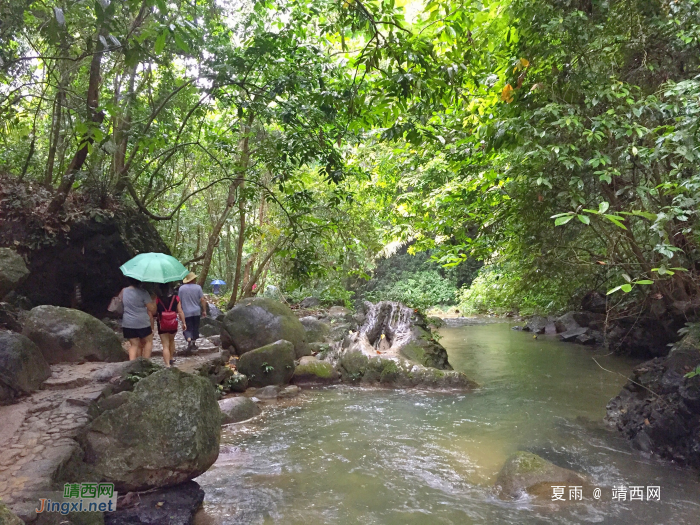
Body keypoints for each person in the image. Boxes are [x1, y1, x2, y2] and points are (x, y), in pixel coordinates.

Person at [121, 277, 156, 360]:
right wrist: (154, 301)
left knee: (134, 345)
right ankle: (145, 362)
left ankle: (132, 365)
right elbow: (152, 310)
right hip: (142, 322)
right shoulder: (143, 293)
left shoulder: (123, 291)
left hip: (128, 322)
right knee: (149, 341)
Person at [156, 283, 186, 367]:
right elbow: (180, 311)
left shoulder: (158, 299)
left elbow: (155, 311)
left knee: (165, 344)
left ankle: (167, 365)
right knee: (172, 340)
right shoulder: (176, 298)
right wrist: (184, 323)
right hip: (173, 322)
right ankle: (171, 357)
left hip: (162, 323)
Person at [178, 272, 207, 354]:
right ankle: (193, 343)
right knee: (195, 328)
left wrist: (179, 312)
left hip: (186, 312)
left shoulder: (181, 289)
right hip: (196, 312)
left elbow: (178, 301)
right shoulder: (198, 288)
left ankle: (189, 340)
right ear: (194, 279)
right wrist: (204, 310)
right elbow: (202, 300)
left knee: (187, 327)